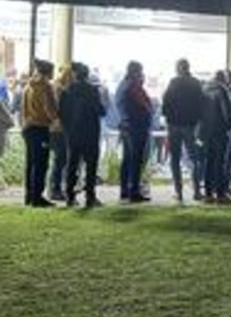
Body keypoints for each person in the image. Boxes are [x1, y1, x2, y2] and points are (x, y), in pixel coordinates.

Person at [59, 62, 106, 208]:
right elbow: (101, 111)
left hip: (73, 134)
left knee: (72, 164)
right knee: (91, 166)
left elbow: (61, 113)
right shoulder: (92, 90)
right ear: (87, 75)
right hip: (90, 133)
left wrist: (68, 129)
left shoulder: (67, 91)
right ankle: (90, 196)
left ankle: (69, 196)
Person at [162, 58, 205, 203]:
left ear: (178, 68)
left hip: (174, 125)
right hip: (190, 125)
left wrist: (168, 119)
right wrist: (197, 121)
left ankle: (179, 192)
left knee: (175, 159)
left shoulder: (174, 82)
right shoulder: (196, 83)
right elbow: (201, 104)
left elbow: (166, 102)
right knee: (194, 159)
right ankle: (197, 191)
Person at [21, 58, 58, 207]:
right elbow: (49, 108)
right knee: (41, 164)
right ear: (48, 71)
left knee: (30, 163)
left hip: (28, 127)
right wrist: (56, 117)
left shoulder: (28, 86)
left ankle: (29, 196)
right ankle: (37, 197)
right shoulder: (45, 87)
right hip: (41, 127)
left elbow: (23, 108)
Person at [115, 60, 153, 203]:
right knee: (136, 160)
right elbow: (145, 104)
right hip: (136, 127)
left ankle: (125, 190)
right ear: (136, 72)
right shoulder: (133, 86)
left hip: (126, 126)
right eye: (140, 72)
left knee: (127, 160)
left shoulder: (122, 85)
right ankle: (134, 191)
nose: (142, 74)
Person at [199, 70, 231, 204]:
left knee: (209, 162)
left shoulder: (205, 89)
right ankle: (220, 194)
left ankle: (208, 193)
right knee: (221, 163)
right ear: (224, 79)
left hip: (206, 131)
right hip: (220, 131)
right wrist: (230, 126)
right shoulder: (223, 90)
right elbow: (227, 111)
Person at [48, 64, 74, 201]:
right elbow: (58, 108)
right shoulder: (59, 89)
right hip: (58, 128)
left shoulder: (54, 86)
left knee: (59, 159)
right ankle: (55, 188)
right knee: (60, 158)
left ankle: (54, 188)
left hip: (53, 127)